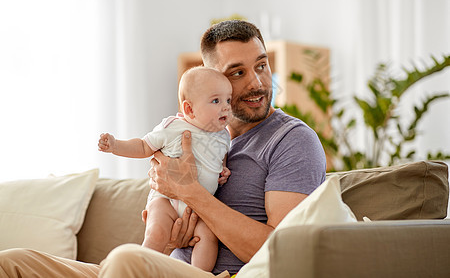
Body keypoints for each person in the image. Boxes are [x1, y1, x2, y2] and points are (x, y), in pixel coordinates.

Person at [0, 20, 326, 278]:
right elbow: (163, 217)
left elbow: (284, 252)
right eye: (238, 73)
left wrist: (191, 193)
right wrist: (171, 237)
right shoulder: (197, 137)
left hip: (218, 274)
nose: (256, 82)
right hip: (158, 268)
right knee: (13, 263)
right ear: (214, 80)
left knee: (127, 260)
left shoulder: (292, 140)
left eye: (262, 65)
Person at [98, 66, 232, 272]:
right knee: (157, 234)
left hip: (200, 208)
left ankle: (198, 275)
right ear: (189, 109)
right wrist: (116, 146)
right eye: (216, 101)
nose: (225, 107)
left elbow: (219, 159)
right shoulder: (173, 127)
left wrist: (222, 171)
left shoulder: (223, 136)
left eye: (228, 100)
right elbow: (143, 146)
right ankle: (142, 270)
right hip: (166, 201)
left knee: (209, 237)